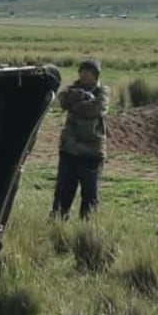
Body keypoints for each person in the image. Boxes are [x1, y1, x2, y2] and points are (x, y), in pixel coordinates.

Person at [50, 58, 110, 221]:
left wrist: (75, 105)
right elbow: (62, 100)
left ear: (95, 75)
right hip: (69, 151)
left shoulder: (103, 91)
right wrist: (81, 97)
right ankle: (57, 225)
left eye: (86, 73)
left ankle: (86, 228)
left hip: (92, 153)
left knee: (90, 196)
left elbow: (97, 109)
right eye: (81, 72)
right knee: (62, 194)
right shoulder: (73, 89)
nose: (83, 76)